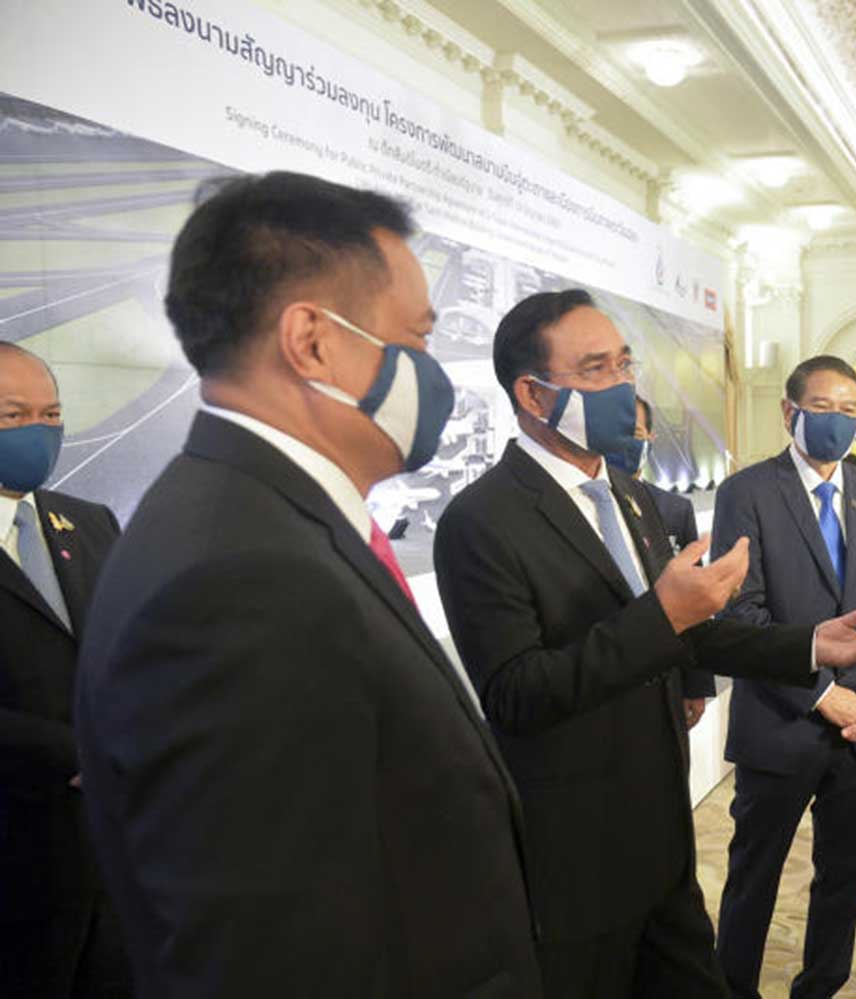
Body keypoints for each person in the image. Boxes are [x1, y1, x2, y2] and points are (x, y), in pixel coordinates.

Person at [73, 171, 543, 995]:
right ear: (313, 341)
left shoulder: (265, 521)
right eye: (417, 339)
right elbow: (270, 958)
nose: (433, 373)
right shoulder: (238, 583)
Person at [433, 297, 856, 999]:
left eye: (625, 362)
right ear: (533, 394)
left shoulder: (631, 495)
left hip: (663, 823)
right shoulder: (480, 520)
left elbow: (697, 630)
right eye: (597, 369)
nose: (623, 384)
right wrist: (664, 616)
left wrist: (808, 646)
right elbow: (516, 692)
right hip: (575, 844)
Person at [712, 354, 856, 999]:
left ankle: (821, 985)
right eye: (823, 408)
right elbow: (744, 616)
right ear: (789, 412)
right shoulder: (745, 493)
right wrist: (821, 695)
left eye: (850, 411)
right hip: (781, 723)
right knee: (754, 876)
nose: (838, 421)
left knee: (844, 875)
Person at [0, 343, 131, 998]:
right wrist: (67, 753)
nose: (39, 431)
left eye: (50, 413)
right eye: (14, 415)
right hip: (17, 867)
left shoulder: (88, 521)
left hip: (118, 872)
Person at [629, 395, 716, 731]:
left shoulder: (673, 510)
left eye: (635, 434)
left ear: (651, 438)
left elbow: (696, 604)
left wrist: (698, 684)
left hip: (669, 669)